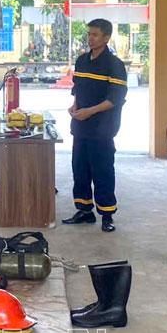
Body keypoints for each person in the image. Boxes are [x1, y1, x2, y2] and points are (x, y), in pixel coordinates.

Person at [61, 19, 128, 233]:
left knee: (102, 172)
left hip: (102, 129)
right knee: (80, 170)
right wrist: (75, 106)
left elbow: (115, 99)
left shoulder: (114, 65)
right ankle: (84, 210)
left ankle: (107, 215)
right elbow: (77, 89)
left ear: (106, 37)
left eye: (95, 35)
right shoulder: (82, 61)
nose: (90, 38)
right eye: (89, 34)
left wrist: (89, 111)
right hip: (80, 127)